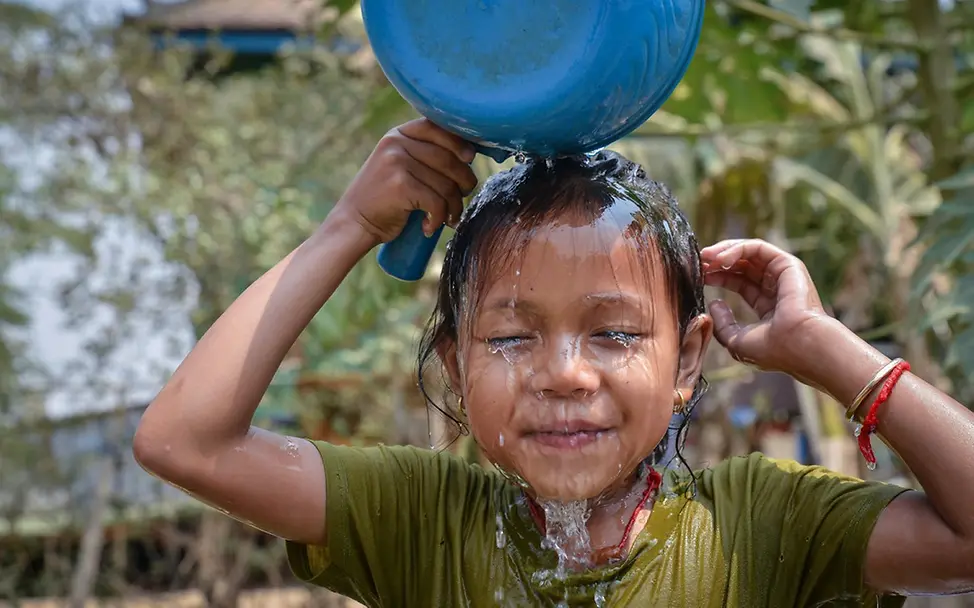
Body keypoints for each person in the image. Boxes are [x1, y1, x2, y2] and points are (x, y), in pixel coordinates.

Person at [133, 119, 974, 606]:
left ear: (686, 362)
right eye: (509, 338)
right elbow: (184, 442)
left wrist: (827, 348)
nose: (565, 374)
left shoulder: (762, 524)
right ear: (455, 366)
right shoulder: (421, 519)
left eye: (614, 334)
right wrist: (348, 226)